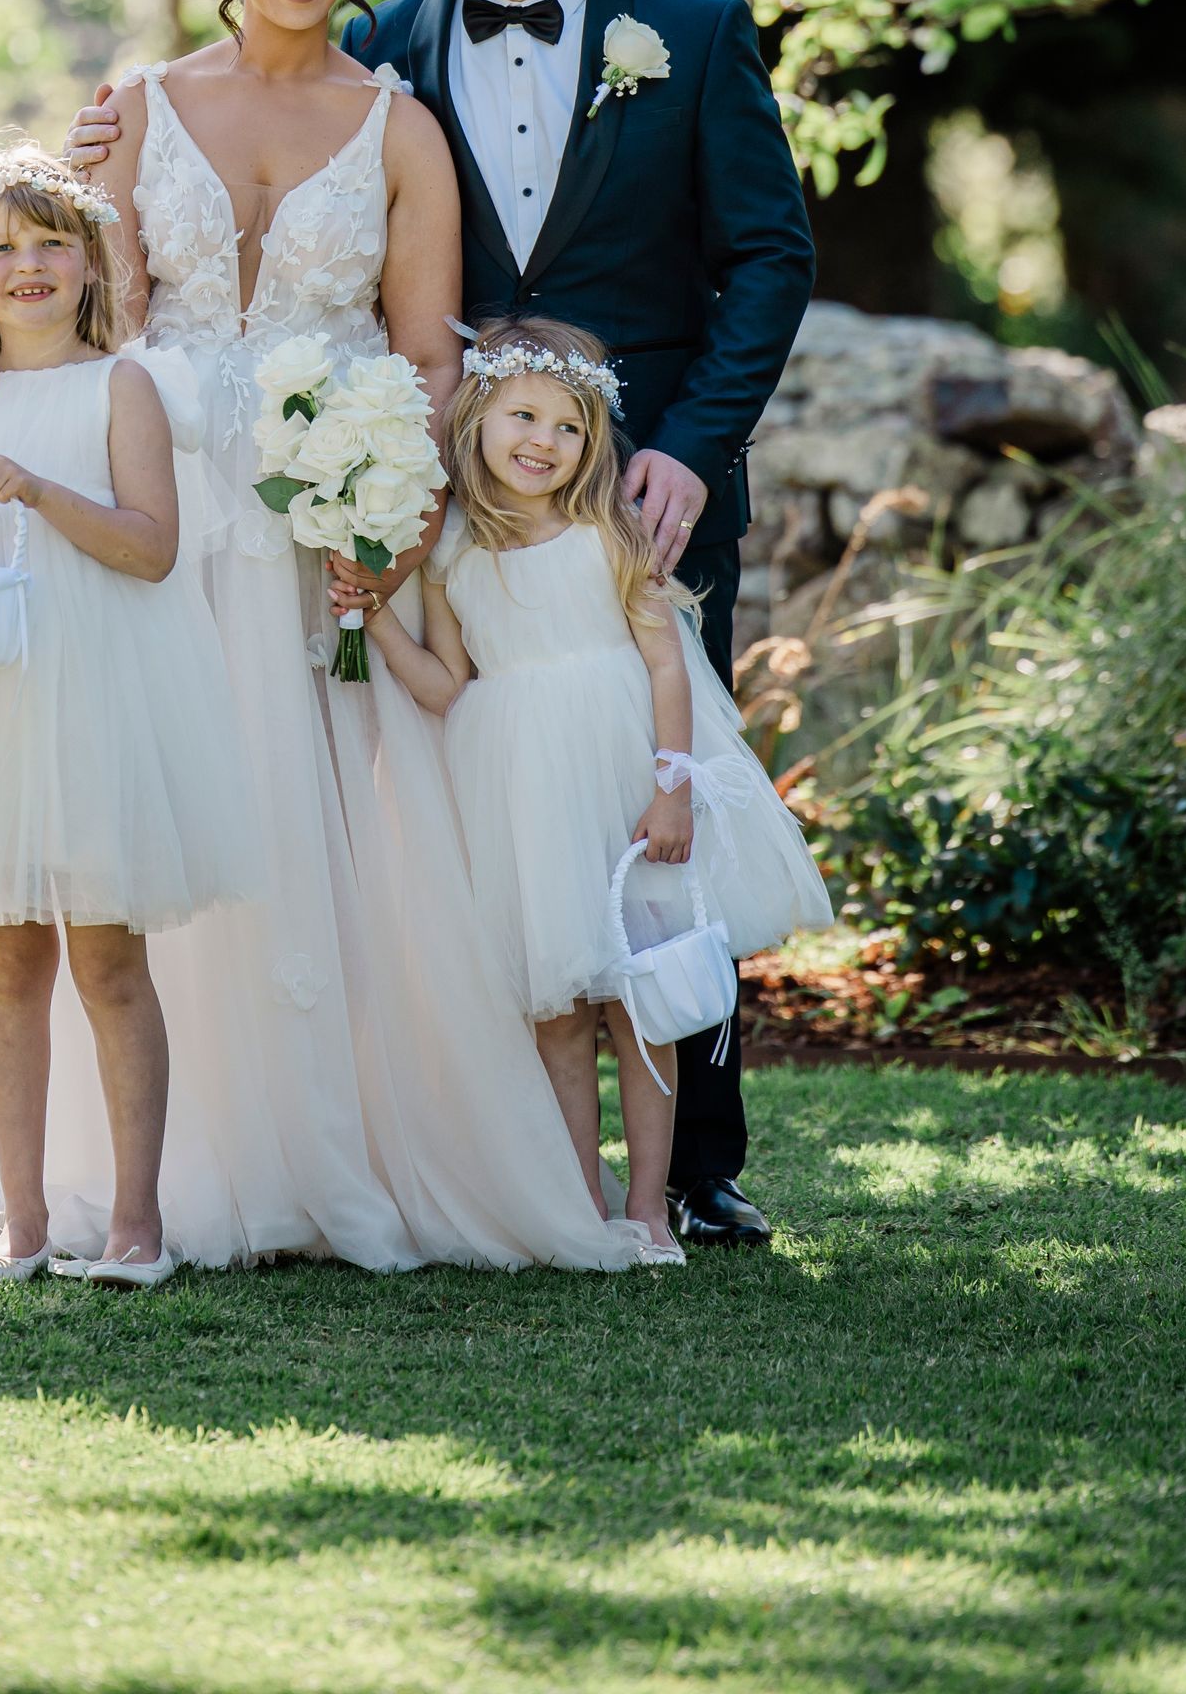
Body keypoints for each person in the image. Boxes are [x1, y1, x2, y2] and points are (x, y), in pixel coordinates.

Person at [69, 0, 815, 1248]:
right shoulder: (392, 46)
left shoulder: (694, 35)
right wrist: (88, 174)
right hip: (413, 507)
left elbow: (768, 260)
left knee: (657, 820)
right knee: (468, 826)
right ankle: (385, 1141)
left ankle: (694, 1171)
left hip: (632, 498)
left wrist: (681, 446)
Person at [333, 319, 831, 1261]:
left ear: (594, 440)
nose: (543, 442)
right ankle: (575, 1204)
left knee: (640, 1000)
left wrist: (672, 787)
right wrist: (373, 621)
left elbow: (669, 666)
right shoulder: (452, 558)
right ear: (477, 417)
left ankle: (648, 1207)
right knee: (555, 1013)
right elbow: (446, 688)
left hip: (619, 774)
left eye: (569, 427)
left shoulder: (612, 532)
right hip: (517, 786)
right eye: (523, 416)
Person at [0, 137, 256, 1289]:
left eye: (49, 245)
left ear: (89, 263)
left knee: (107, 958)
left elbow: (150, 548)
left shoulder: (124, 385)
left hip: (93, 689)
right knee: (6, 962)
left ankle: (136, 1225)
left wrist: (38, 487)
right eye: (0, 249)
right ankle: (22, 1223)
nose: (26, 265)